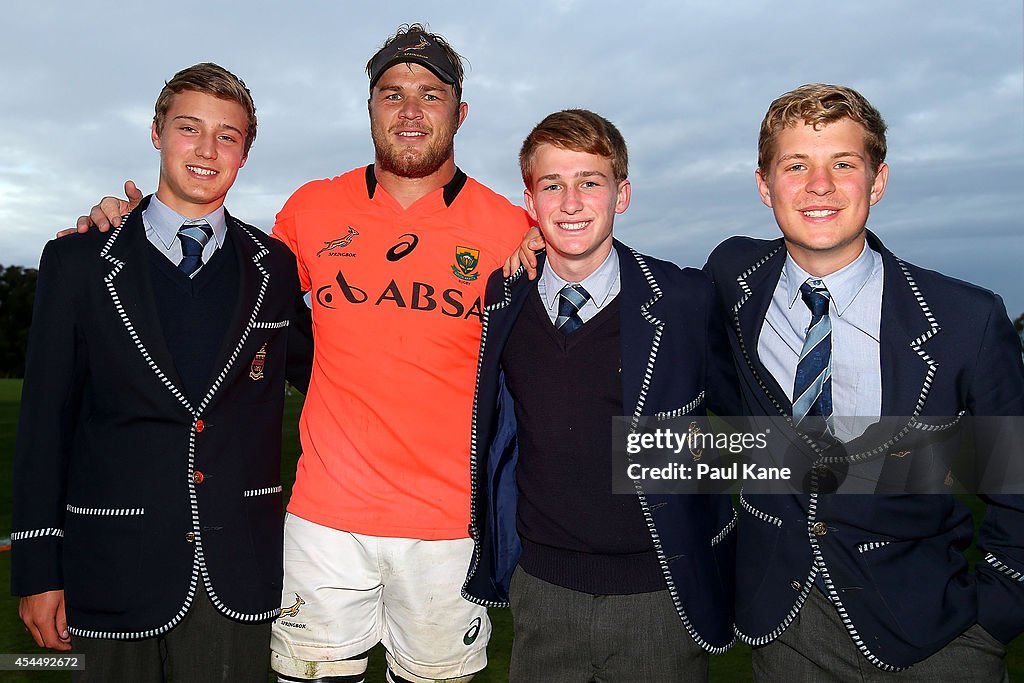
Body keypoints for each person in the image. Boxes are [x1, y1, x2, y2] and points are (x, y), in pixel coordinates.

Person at [78, 24, 531, 683]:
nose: (409, 111)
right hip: (323, 524)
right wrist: (139, 228)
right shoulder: (314, 207)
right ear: (369, 106)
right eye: (391, 94)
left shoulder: (508, 227)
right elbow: (223, 288)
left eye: (430, 95)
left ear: (459, 112)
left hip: (449, 530)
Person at [702, 84, 1024, 678]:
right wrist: (544, 241)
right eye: (795, 165)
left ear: (877, 182)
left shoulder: (966, 320)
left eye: (843, 164)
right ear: (763, 185)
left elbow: (1016, 483)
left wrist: (994, 616)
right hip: (784, 628)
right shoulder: (733, 276)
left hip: (935, 631)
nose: (818, 185)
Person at [11, 62, 312, 682]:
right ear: (156, 133)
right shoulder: (79, 260)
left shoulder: (274, 268)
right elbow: (44, 423)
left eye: (227, 135)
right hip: (112, 564)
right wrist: (39, 568)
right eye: (189, 128)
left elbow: (334, 373)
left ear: (245, 153)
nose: (207, 150)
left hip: (239, 568)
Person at [462, 109, 738, 682]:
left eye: (590, 182)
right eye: (552, 185)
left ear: (623, 195)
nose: (570, 202)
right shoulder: (504, 294)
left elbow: (743, 416)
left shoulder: (684, 298)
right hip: (542, 588)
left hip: (657, 591)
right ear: (529, 202)